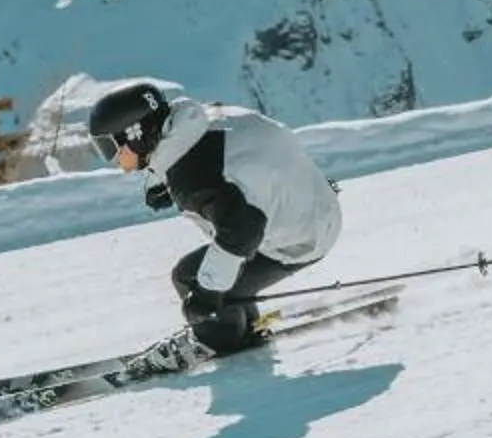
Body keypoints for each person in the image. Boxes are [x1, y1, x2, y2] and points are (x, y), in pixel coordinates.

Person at [87, 80, 341, 356]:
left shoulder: (194, 179)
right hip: (314, 204)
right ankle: (245, 324)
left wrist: (207, 295)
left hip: (300, 237)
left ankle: (220, 339)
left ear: (135, 134)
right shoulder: (206, 116)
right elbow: (229, 159)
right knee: (205, 274)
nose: (113, 159)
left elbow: (243, 232)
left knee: (193, 279)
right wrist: (163, 179)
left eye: (111, 147)